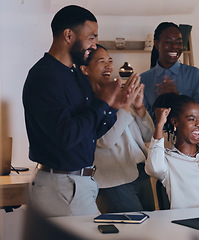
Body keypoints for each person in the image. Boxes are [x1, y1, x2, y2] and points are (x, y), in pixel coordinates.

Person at [22, 5, 135, 217]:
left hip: (78, 184)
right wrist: (101, 104)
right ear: (68, 35)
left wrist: (112, 108)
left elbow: (89, 133)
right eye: (91, 38)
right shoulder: (45, 77)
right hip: (62, 185)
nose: (93, 45)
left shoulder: (76, 77)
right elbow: (66, 135)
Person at [79, 44, 155, 213]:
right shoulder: (84, 103)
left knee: (150, 230)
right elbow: (105, 141)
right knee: (130, 232)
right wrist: (126, 106)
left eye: (110, 60)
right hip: (113, 181)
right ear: (85, 69)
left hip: (141, 173)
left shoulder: (120, 94)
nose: (109, 66)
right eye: (101, 61)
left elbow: (148, 135)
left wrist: (140, 106)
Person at [141, 22, 199, 120]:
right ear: (156, 44)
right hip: (154, 134)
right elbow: (143, 118)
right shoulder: (144, 79)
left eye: (179, 42)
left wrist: (177, 96)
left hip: (187, 135)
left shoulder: (193, 74)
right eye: (169, 42)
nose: (175, 47)